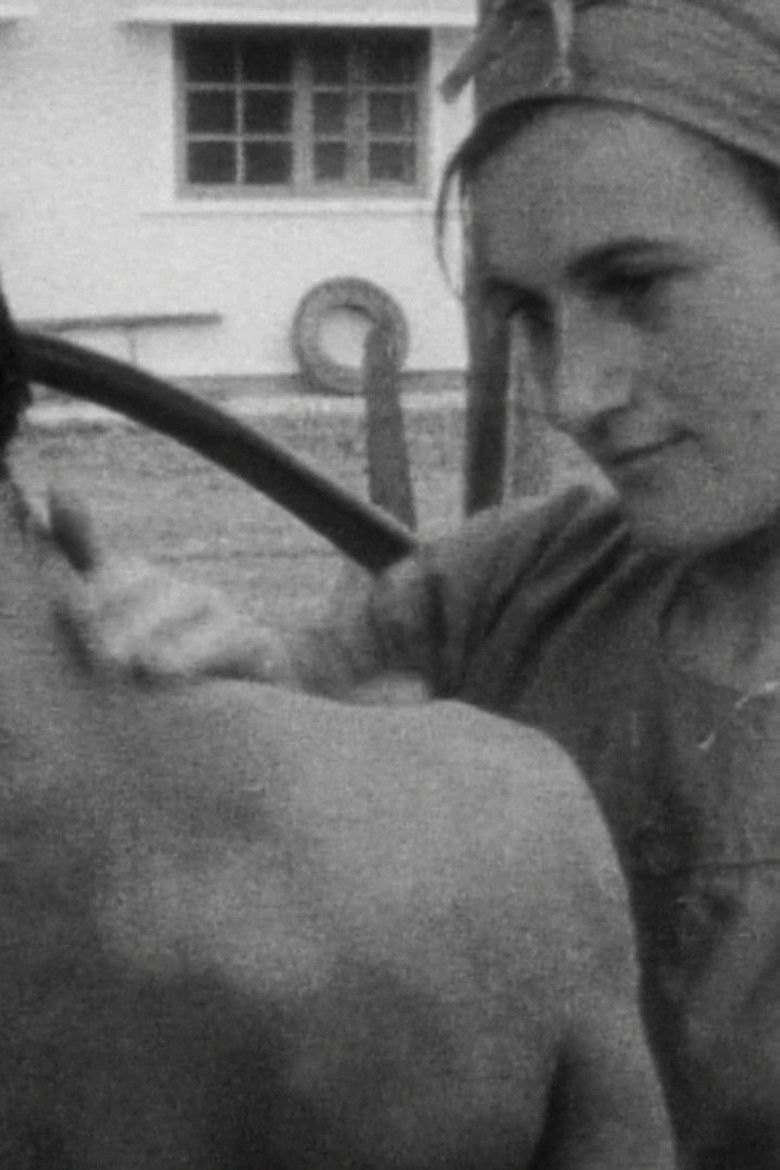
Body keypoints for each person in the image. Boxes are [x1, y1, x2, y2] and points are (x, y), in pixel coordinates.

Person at [48, 0, 780, 1165]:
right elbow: (307, 770)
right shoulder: (501, 596)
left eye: (638, 285)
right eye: (526, 315)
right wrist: (230, 688)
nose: (574, 393)